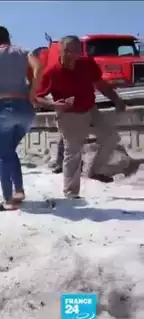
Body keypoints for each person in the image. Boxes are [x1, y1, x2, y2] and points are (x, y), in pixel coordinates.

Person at [35, 35, 140, 199]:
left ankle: (95, 170)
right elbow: (38, 97)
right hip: (69, 116)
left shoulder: (87, 64)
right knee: (73, 153)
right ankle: (71, 192)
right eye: (76, 51)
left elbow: (101, 85)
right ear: (65, 52)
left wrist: (117, 100)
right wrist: (55, 105)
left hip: (91, 110)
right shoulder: (52, 72)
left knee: (111, 138)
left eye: (80, 51)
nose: (79, 55)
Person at [0, 21, 42, 211]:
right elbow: (39, 68)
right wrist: (32, 93)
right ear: (8, 38)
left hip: (2, 108)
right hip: (25, 110)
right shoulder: (23, 51)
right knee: (9, 151)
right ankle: (19, 190)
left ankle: (8, 198)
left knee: (1, 155)